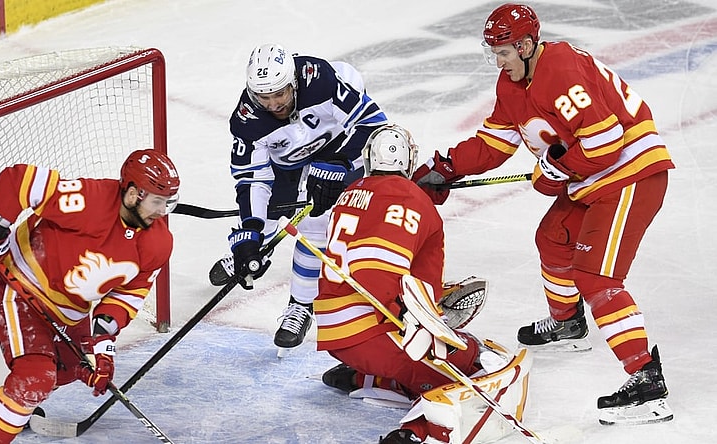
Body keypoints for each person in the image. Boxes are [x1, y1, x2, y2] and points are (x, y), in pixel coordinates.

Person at [411, 3, 674, 425]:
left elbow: (605, 142)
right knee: (552, 238)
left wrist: (557, 169)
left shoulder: (561, 69)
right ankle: (568, 323)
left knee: (596, 276)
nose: (498, 61)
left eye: (504, 52)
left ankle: (647, 382)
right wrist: (449, 167)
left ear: (528, 45)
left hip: (630, 174)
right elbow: (494, 143)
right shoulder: (511, 84)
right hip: (592, 180)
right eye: (493, 52)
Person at [315, 124, 532, 444]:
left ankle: (369, 379)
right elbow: (377, 271)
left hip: (333, 333)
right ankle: (417, 432)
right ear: (409, 162)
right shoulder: (412, 201)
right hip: (376, 332)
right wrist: (411, 317)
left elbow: (383, 221)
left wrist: (416, 195)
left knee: (433, 351)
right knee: (477, 364)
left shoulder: (351, 192)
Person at [0, 149, 180, 444]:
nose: (162, 212)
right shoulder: (88, 199)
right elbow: (18, 181)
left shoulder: (158, 243)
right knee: (36, 376)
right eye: (158, 202)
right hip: (19, 289)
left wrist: (104, 342)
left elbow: (129, 293)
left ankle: (5, 412)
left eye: (169, 203)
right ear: (132, 194)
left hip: (69, 312)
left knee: (74, 370)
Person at [216, 43, 388, 352]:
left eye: (280, 93)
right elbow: (252, 180)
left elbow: (374, 125)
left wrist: (337, 165)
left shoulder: (322, 81)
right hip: (289, 163)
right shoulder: (247, 120)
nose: (274, 104)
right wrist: (249, 234)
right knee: (265, 214)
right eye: (264, 97)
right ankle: (260, 253)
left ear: (294, 82)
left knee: (315, 227)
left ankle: (301, 306)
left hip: (338, 153)